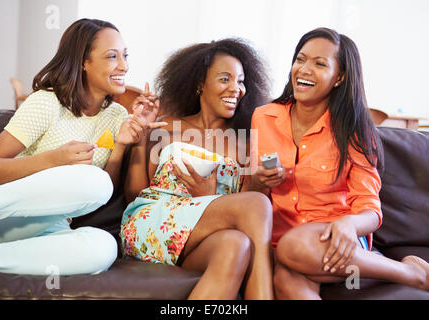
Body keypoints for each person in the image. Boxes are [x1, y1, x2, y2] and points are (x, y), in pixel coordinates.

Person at [248, 27, 429, 299]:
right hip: (284, 246)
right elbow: (252, 200)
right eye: (300, 59)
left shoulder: (353, 129)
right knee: (287, 278)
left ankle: (412, 274)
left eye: (320, 63)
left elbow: (371, 210)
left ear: (339, 77)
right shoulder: (264, 117)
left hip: (340, 241)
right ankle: (410, 272)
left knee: (292, 247)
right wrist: (258, 181)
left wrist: (350, 225)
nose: (304, 69)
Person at [0, 18, 164, 276]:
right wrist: (53, 160)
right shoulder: (47, 103)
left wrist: (122, 144)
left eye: (125, 55)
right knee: (93, 181)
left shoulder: (116, 116)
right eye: (112, 56)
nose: (124, 65)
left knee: (103, 248)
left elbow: (98, 193)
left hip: (47, 225)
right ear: (83, 62)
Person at [120, 38, 275, 299]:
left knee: (236, 245)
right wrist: (142, 138)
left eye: (240, 81)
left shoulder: (246, 144)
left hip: (201, 239)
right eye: (225, 79)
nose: (236, 89)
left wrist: (210, 199)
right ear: (201, 84)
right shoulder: (167, 125)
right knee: (257, 204)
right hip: (153, 223)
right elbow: (134, 194)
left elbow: (247, 217)